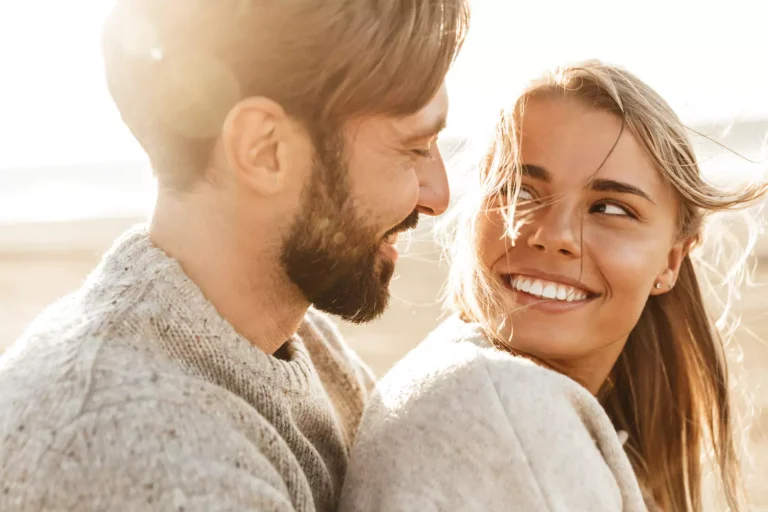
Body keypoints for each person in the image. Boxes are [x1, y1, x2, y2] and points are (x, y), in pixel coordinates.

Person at [0, 1, 469, 510]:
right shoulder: (142, 459)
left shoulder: (289, 333)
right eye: (414, 148)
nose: (438, 195)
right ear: (264, 148)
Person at [339, 61, 767, 512]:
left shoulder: (485, 386)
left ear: (671, 260)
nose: (555, 235)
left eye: (610, 209)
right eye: (521, 190)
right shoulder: (503, 405)